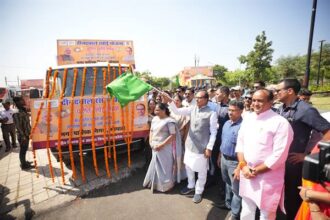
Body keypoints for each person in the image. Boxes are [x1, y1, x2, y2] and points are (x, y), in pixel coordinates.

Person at [276, 78, 330, 220]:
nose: (276, 93)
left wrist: (307, 155)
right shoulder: (281, 108)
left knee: (292, 199)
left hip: (293, 164)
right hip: (279, 162)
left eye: (278, 90)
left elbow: (327, 133)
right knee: (280, 196)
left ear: (290, 91)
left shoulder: (306, 110)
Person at [235, 89, 293, 220]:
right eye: (254, 100)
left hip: (268, 177)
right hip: (247, 173)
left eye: (260, 101)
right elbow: (240, 143)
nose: (255, 103)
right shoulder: (248, 118)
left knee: (266, 214)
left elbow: (279, 155)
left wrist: (255, 171)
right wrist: (243, 166)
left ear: (271, 102)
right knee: (246, 210)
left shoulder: (281, 123)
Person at [166, 90, 217, 203]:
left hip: (202, 148)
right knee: (189, 166)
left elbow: (213, 132)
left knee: (201, 170)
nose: (197, 99)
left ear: (206, 99)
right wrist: (169, 101)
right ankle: (191, 185)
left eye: (200, 98)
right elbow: (177, 111)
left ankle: (199, 191)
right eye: (197, 98)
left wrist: (209, 148)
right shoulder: (192, 108)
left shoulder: (212, 113)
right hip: (189, 145)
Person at [143, 103, 183, 192]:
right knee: (156, 165)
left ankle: (167, 186)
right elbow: (151, 131)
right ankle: (156, 184)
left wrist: (161, 145)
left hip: (165, 147)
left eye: (157, 110)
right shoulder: (155, 119)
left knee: (166, 166)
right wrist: (150, 142)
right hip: (154, 146)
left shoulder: (169, 121)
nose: (155, 111)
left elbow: (172, 135)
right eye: (155, 110)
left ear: (164, 110)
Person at [216, 100, 244, 220]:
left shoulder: (244, 127)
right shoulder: (227, 123)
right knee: (227, 183)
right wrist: (219, 155)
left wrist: (240, 166)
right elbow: (223, 141)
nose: (230, 112)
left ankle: (235, 213)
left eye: (233, 110)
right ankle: (227, 203)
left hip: (235, 162)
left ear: (241, 111)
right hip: (224, 158)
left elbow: (245, 149)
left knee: (237, 189)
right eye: (229, 110)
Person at [13, 96, 33, 170]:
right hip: (23, 135)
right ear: (18, 102)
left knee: (24, 149)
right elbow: (18, 126)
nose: (23, 101)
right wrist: (23, 136)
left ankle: (24, 162)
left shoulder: (22, 110)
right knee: (23, 150)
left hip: (26, 134)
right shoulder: (17, 112)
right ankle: (23, 165)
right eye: (22, 100)